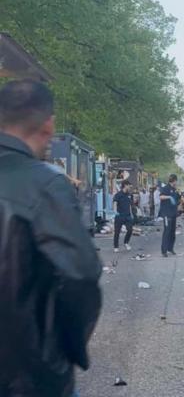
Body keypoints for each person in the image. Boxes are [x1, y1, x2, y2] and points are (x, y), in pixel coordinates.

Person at [0, 80, 102, 397]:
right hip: (27, 371)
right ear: (48, 125)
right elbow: (81, 275)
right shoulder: (44, 184)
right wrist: (67, 348)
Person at [159, 174, 181, 257]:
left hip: (173, 213)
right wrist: (169, 197)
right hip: (166, 214)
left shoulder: (175, 189)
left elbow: (178, 199)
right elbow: (161, 197)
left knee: (172, 232)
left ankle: (170, 248)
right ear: (174, 180)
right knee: (167, 231)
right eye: (176, 181)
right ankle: (164, 251)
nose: (176, 182)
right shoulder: (166, 188)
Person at [113, 180, 134, 252]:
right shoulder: (118, 194)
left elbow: (130, 205)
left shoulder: (129, 195)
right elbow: (115, 203)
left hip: (127, 215)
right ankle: (116, 246)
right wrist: (115, 211)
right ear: (125, 185)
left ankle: (126, 242)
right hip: (120, 215)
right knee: (117, 232)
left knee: (130, 230)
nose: (130, 187)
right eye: (129, 185)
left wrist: (131, 214)